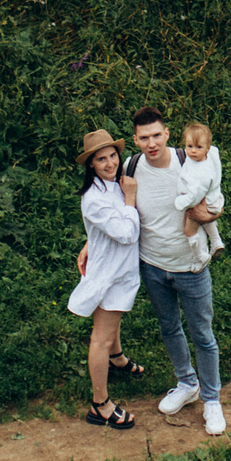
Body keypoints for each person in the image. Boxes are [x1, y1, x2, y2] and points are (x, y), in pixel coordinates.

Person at [78, 106, 226, 435]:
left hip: (191, 266)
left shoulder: (190, 160)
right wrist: (91, 242)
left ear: (167, 134)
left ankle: (212, 399)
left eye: (157, 135)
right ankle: (187, 384)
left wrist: (210, 217)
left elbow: (216, 197)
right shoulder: (129, 168)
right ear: (135, 140)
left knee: (203, 335)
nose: (151, 143)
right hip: (153, 267)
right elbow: (111, 210)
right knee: (170, 329)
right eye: (144, 138)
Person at [65, 128, 144, 429]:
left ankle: (118, 358)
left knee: (115, 318)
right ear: (91, 165)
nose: (111, 163)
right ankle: (100, 404)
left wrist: (89, 241)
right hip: (109, 273)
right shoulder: (94, 197)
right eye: (102, 159)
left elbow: (102, 227)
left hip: (118, 269)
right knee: (101, 336)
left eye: (113, 156)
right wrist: (132, 199)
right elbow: (125, 233)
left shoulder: (112, 183)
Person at [173, 122, 227, 260]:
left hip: (202, 201)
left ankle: (200, 256)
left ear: (207, 148)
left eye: (199, 147)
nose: (193, 151)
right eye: (189, 146)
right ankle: (216, 241)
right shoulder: (211, 156)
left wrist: (180, 202)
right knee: (207, 220)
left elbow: (194, 196)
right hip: (213, 198)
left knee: (189, 230)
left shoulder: (200, 174)